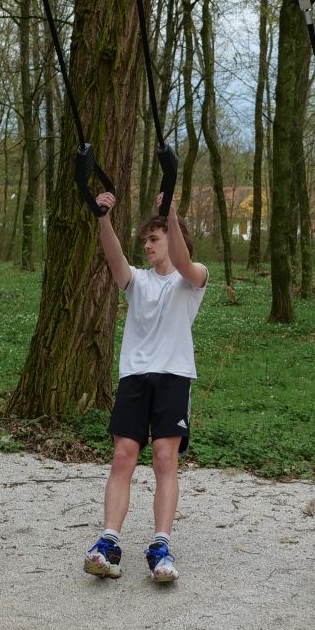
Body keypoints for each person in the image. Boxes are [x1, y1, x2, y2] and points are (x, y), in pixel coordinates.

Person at [84, 192, 209, 583]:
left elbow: (185, 262)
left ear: (172, 236)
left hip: (174, 377)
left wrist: (170, 213)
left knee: (164, 459)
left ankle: (161, 547)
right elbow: (115, 259)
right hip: (134, 377)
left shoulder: (192, 279)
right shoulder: (137, 281)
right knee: (123, 456)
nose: (148, 245)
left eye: (155, 238)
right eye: (145, 241)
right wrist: (104, 218)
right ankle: (108, 542)